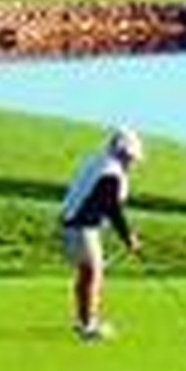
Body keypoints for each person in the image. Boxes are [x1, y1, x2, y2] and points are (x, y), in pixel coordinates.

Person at [59, 127, 143, 342]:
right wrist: (129, 238)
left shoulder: (98, 162)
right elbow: (113, 209)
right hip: (82, 226)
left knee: (87, 272)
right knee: (95, 273)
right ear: (124, 153)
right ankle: (90, 327)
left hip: (70, 223)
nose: (133, 164)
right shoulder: (111, 173)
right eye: (132, 158)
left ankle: (83, 321)